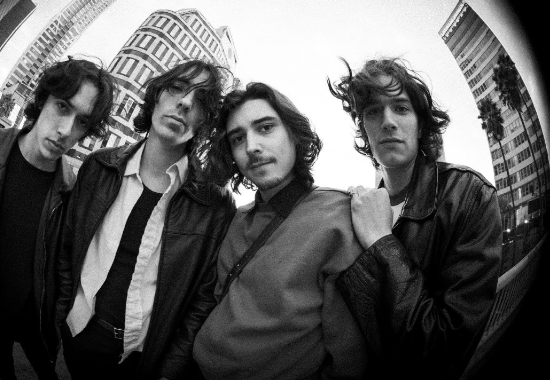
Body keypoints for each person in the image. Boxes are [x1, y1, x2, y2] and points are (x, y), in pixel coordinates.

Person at [56, 59, 236, 380]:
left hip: (141, 361)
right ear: (156, 96)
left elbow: (202, 300)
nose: (185, 102)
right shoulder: (99, 167)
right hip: (76, 335)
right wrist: (60, 315)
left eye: (201, 101)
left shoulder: (214, 206)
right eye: (177, 88)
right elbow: (66, 248)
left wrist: (169, 370)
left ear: (205, 121)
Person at [327, 57, 503, 380]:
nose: (388, 122)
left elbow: (443, 353)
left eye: (401, 108)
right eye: (373, 112)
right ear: (364, 130)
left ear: (421, 126)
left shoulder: (469, 196)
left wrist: (381, 241)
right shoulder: (356, 210)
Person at [193, 82, 369, 379]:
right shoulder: (238, 217)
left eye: (265, 128)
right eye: (238, 138)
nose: (251, 147)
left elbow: (350, 356)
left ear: (294, 134)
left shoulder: (338, 219)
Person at [0, 57, 116, 380]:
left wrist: (54, 318)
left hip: (38, 323)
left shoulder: (70, 191)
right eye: (62, 107)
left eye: (82, 122)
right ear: (43, 100)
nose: (66, 130)